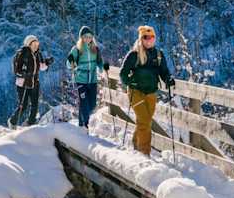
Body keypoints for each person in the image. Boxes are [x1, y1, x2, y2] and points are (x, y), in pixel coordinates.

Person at [119, 25, 171, 155]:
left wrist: (168, 80)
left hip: (151, 93)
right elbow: (123, 73)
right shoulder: (134, 54)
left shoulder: (158, 55)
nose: (149, 40)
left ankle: (136, 144)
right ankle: (144, 153)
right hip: (136, 92)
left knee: (145, 121)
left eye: (152, 37)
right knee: (144, 121)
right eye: (146, 37)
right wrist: (131, 82)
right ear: (141, 39)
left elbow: (164, 71)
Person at [66, 25, 108, 130]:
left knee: (92, 105)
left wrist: (104, 66)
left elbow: (99, 62)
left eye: (89, 36)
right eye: (85, 36)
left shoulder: (95, 49)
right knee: (84, 103)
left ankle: (81, 123)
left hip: (92, 80)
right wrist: (70, 60)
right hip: (81, 79)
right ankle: (85, 126)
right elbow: (68, 64)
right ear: (81, 37)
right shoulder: (76, 49)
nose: (87, 38)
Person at [8, 34, 52, 127]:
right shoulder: (21, 54)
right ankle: (12, 122)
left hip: (35, 83)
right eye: (34, 44)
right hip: (23, 83)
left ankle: (30, 123)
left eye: (37, 44)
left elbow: (41, 67)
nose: (36, 46)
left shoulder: (37, 54)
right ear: (29, 44)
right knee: (23, 106)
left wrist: (47, 63)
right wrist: (24, 74)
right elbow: (16, 70)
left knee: (35, 105)